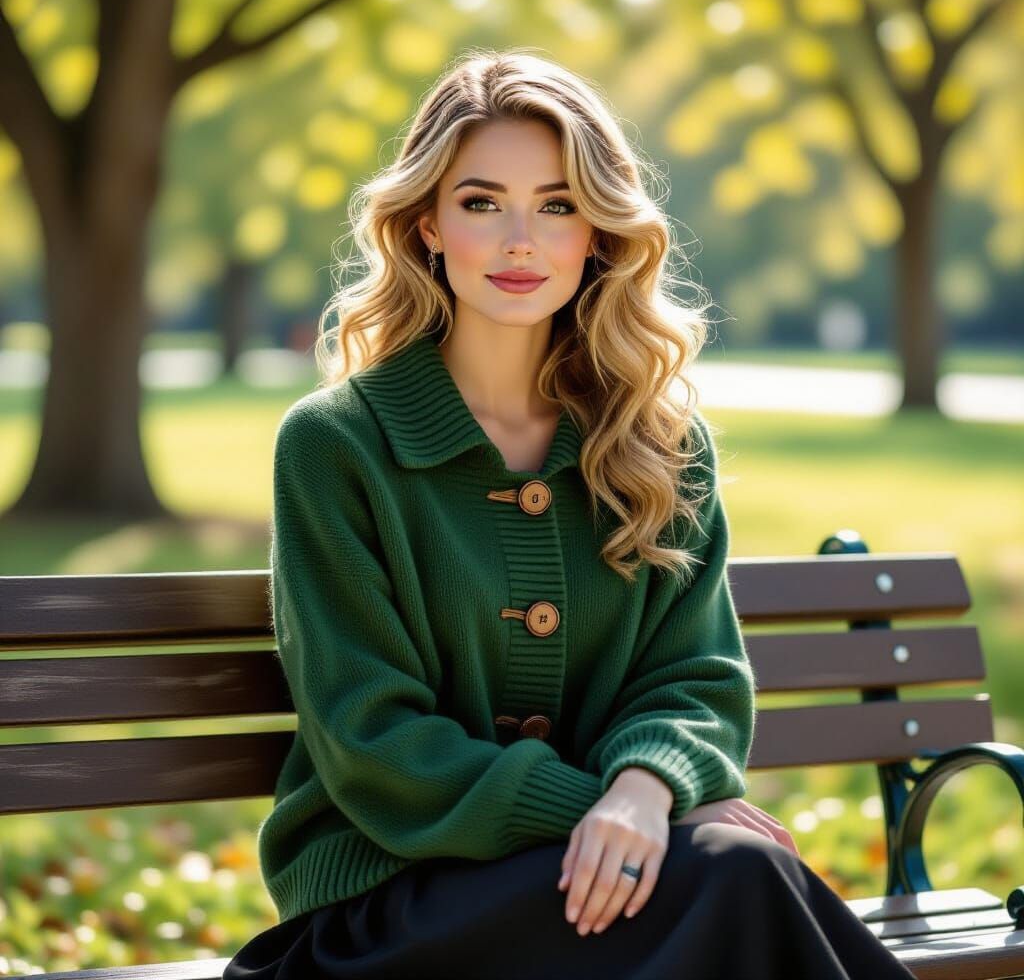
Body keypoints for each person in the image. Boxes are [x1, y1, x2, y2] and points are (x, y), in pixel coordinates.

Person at [223, 49, 915, 979]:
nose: (521, 241)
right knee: (738, 877)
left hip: (601, 891)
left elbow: (695, 678)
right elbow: (374, 739)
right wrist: (614, 806)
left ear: (598, 233)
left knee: (735, 882)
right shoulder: (337, 445)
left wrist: (648, 787)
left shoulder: (655, 444)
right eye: (482, 203)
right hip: (389, 909)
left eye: (557, 206)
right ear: (427, 224)